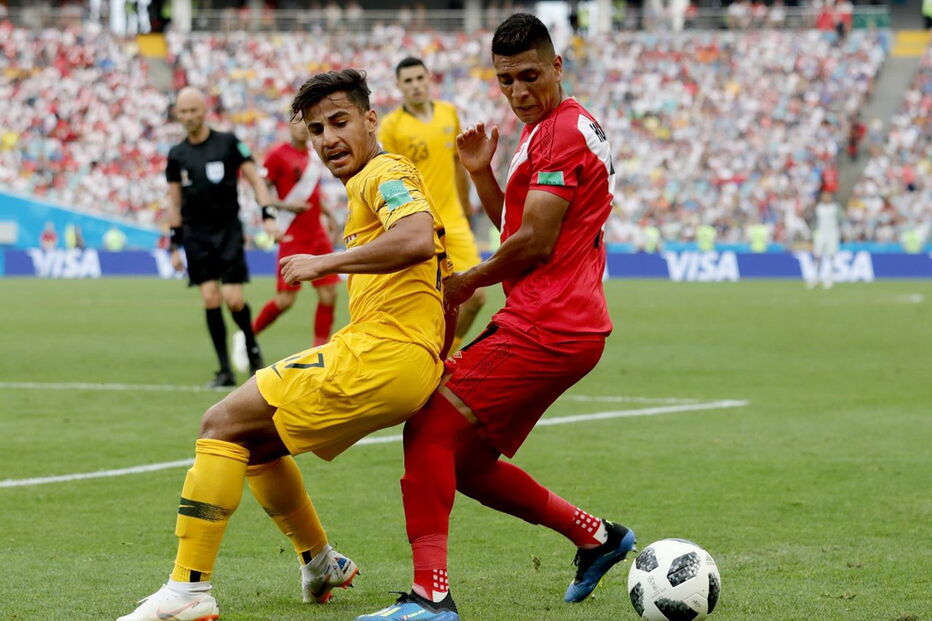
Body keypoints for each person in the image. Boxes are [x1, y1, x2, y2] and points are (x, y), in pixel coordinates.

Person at [116, 68, 453, 621]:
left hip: (381, 354)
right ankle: (320, 561)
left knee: (221, 423)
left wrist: (326, 262)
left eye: (340, 122)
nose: (328, 139)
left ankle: (188, 591)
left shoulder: (385, 172)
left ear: (372, 120)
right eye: (317, 130)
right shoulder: (372, 182)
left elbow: (416, 239)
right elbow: (443, 273)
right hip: (397, 356)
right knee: (255, 443)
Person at [357, 14, 635, 621]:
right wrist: (482, 172)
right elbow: (520, 226)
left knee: (429, 426)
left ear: (557, 66)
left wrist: (466, 282)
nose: (518, 91)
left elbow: (535, 242)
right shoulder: (551, 129)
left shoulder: (561, 134)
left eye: (530, 76)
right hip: (561, 323)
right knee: (465, 462)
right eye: (506, 80)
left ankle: (431, 597)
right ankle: (597, 537)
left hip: (549, 325)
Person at [166, 87, 272, 388]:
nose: (188, 116)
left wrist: (267, 214)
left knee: (234, 300)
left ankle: (252, 349)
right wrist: (174, 244)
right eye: (183, 111)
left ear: (204, 111)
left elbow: (255, 180)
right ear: (177, 114)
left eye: (193, 110)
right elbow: (174, 201)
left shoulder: (228, 142)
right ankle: (224, 370)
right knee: (210, 297)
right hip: (195, 234)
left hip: (227, 230)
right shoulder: (176, 155)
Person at [379, 57, 486, 352]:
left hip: (454, 220)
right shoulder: (391, 127)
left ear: (429, 79)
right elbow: (389, 180)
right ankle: (426, 360)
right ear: (399, 86)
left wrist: (466, 208)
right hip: (419, 225)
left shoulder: (448, 114)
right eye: (408, 81)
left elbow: (458, 165)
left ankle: (444, 357)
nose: (415, 86)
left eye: (419, 78)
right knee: (424, 305)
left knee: (476, 297)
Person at [232, 119, 341, 372]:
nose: (302, 127)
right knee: (286, 299)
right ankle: (247, 335)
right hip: (292, 234)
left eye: (307, 122)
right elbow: (261, 193)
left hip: (317, 234)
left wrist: (329, 216)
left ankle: (318, 353)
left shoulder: (314, 155)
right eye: (297, 122)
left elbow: (313, 195)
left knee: (329, 294)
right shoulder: (278, 155)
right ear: (289, 126)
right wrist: (286, 206)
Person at [809, 191, 842, 289]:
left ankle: (829, 279)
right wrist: (813, 231)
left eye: (828, 196)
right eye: (824, 196)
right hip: (820, 233)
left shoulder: (835, 208)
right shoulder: (818, 208)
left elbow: (841, 219)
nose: (826, 198)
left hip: (832, 233)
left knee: (831, 256)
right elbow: (814, 220)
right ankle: (815, 278)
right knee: (817, 256)